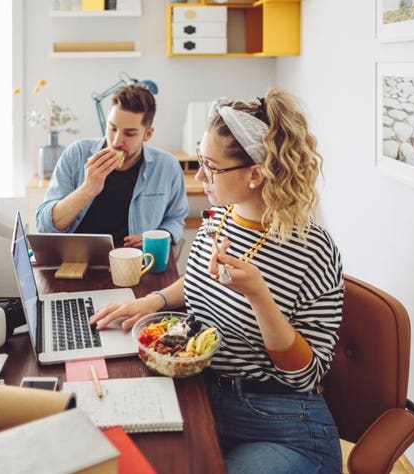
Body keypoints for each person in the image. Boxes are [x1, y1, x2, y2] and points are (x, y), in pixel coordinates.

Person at [90, 89, 344, 473]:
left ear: (255, 174)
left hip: (281, 423)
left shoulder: (311, 248)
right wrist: (153, 301)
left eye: (210, 166)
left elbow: (304, 373)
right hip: (206, 396)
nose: (198, 174)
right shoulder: (219, 219)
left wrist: (258, 296)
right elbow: (197, 282)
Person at [36, 84, 188, 247]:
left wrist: (157, 237)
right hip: (76, 262)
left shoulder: (167, 167)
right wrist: (87, 190)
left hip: (137, 262)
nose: (116, 141)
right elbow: (44, 228)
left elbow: (175, 219)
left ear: (148, 134)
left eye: (129, 133)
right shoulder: (76, 154)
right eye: (112, 128)